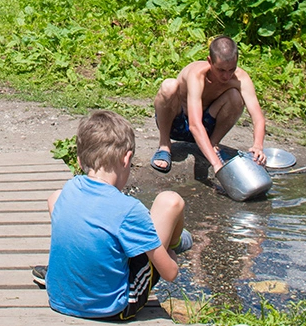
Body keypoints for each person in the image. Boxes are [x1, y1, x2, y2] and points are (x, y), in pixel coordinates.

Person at [35, 110, 190, 320]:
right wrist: (169, 256)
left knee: (56, 197)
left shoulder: (70, 189)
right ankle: (175, 244)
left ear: (80, 161)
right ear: (126, 159)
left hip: (60, 299)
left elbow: (54, 199)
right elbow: (170, 274)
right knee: (170, 201)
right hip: (112, 307)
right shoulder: (129, 209)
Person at [150, 35, 266, 174]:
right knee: (169, 86)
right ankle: (164, 145)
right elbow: (194, 124)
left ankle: (212, 144)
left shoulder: (240, 78)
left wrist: (258, 146)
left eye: (231, 70)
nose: (226, 76)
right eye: (221, 70)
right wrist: (216, 165)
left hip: (207, 126)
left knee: (235, 96)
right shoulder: (197, 75)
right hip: (178, 123)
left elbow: (258, 118)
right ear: (209, 61)